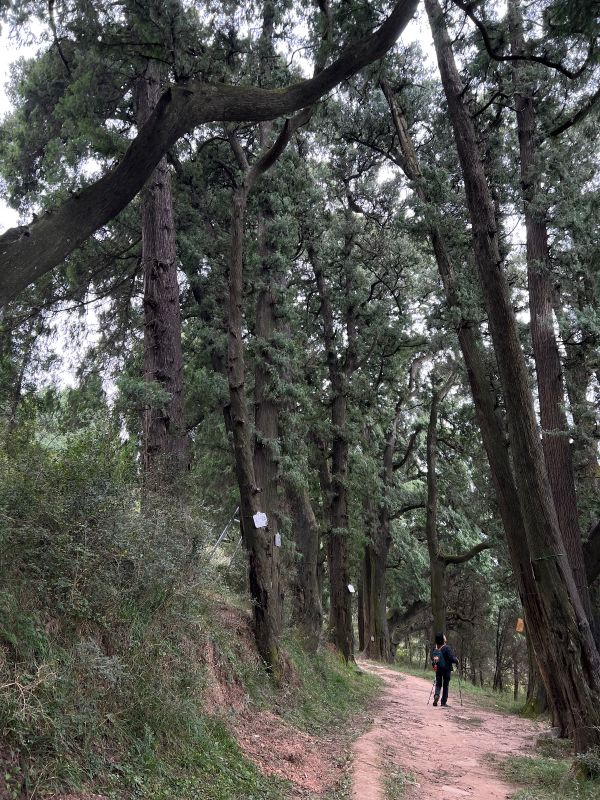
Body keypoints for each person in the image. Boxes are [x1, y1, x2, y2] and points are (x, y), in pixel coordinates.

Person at [431, 632, 459, 707]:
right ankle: (443, 702)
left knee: (438, 684)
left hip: (438, 669)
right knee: (445, 685)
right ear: (442, 639)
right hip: (446, 669)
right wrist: (456, 660)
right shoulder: (447, 648)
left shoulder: (435, 648)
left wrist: (434, 665)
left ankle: (436, 695)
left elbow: (432, 658)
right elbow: (451, 658)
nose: (445, 637)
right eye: (444, 636)